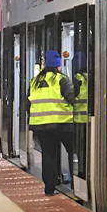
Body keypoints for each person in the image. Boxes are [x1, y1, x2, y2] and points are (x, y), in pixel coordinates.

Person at [28, 50, 78, 195]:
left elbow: (28, 104)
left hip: (41, 125)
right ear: (58, 65)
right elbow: (73, 99)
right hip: (62, 124)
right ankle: (76, 184)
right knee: (72, 151)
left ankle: (49, 187)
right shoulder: (62, 80)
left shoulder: (34, 82)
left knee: (48, 154)